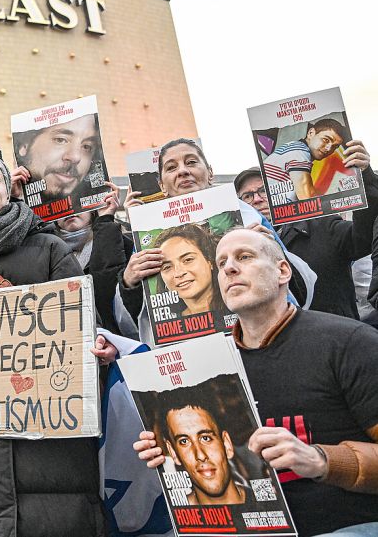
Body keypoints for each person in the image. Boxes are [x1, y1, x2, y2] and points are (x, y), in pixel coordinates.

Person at [133, 228, 378, 536]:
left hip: (347, 524)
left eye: (244, 257)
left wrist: (321, 460)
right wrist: (170, 457)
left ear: (282, 270)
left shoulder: (348, 341)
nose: (229, 268)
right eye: (221, 264)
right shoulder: (206, 367)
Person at [0, 151, 118, 537]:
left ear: (9, 189)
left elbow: (85, 326)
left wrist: (97, 350)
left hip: (54, 441)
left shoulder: (50, 248)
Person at [121, 138, 316, 345]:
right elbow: (137, 318)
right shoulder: (148, 235)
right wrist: (128, 282)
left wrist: (271, 251)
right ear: (162, 185)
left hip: (259, 342)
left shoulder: (249, 217)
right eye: (171, 167)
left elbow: (298, 287)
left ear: (210, 172)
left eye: (191, 162)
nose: (183, 171)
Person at [234, 137, 376, 319]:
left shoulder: (320, 225)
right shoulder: (238, 251)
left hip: (336, 340)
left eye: (264, 191)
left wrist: (365, 177)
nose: (257, 199)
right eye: (247, 196)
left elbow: (363, 239)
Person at [51, 181, 138, 337]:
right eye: (60, 204)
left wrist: (106, 218)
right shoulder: (48, 253)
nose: (70, 210)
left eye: (78, 200)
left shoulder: (122, 241)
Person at [154, 395, 249, 506]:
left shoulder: (266, 503)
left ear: (227, 444)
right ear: (173, 453)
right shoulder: (172, 515)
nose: (200, 455)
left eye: (206, 438)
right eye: (184, 441)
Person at [14, 113, 103, 204]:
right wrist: (11, 199)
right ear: (24, 145)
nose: (76, 157)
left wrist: (106, 216)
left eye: (86, 147)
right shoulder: (7, 199)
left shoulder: (92, 215)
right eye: (60, 140)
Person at [261, 118, 350, 201]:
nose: (328, 148)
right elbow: (308, 198)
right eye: (326, 140)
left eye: (334, 146)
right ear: (311, 133)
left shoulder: (294, 148)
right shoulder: (299, 152)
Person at [152, 223, 224, 317]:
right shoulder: (167, 325)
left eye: (188, 260)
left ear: (209, 261)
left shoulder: (242, 307)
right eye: (167, 267)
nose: (179, 273)